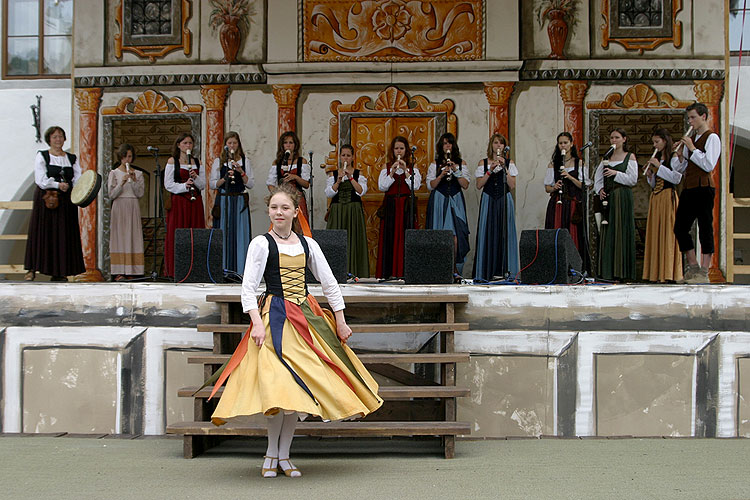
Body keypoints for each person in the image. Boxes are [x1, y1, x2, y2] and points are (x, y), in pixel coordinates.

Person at [210, 184, 382, 478]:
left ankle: (284, 456)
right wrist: (256, 322)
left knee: (295, 396)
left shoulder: (308, 245)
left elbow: (329, 283)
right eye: (275, 207)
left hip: (303, 318)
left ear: (295, 212)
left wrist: (340, 320)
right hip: (273, 320)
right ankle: (270, 454)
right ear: (269, 211)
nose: (279, 212)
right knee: (279, 390)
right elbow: (248, 289)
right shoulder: (261, 244)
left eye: (285, 207)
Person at [24, 126, 85, 282]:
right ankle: (32, 268)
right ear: (49, 139)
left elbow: (78, 178)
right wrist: (58, 185)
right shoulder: (42, 156)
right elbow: (40, 179)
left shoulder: (72, 158)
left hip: (66, 201)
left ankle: (60, 271)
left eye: (60, 136)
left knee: (63, 234)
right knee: (43, 232)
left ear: (64, 139)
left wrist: (74, 188)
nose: (58, 140)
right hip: (47, 199)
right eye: (55, 137)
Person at [672, 102, 721, 284]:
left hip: (704, 187)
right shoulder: (691, 138)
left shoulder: (712, 138)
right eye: (689, 118)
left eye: (693, 117)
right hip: (689, 187)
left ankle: (704, 271)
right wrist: (680, 155)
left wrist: (692, 149)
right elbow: (682, 168)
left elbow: (708, 164)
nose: (690, 121)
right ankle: (693, 266)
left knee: (705, 227)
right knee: (680, 227)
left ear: (704, 116)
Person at [594, 128, 638, 282]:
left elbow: (633, 179)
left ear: (624, 139)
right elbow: (597, 177)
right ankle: (608, 272)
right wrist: (600, 189)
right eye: (612, 138)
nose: (614, 140)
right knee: (609, 231)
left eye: (617, 138)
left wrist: (616, 174)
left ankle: (623, 272)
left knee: (621, 229)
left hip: (622, 197)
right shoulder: (606, 157)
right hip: (609, 198)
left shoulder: (629, 157)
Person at [473, 133, 519, 281]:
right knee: (488, 232)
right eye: (495, 143)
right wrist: (490, 170)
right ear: (491, 146)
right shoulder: (483, 163)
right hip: (489, 199)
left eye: (501, 143)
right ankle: (486, 271)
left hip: (504, 199)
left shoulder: (509, 162)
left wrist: (505, 168)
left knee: (505, 232)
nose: (498, 146)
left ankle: (506, 271)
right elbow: (479, 185)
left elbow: (512, 185)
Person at [376, 136, 422, 279]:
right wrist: (392, 173)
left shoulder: (413, 167)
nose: (399, 151)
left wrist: (406, 171)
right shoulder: (387, 167)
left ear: (406, 150)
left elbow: (415, 186)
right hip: (391, 206)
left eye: (401, 148)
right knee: (389, 237)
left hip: (406, 207)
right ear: (393, 150)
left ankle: (405, 272)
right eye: (396, 148)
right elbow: (382, 186)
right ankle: (388, 272)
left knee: (405, 237)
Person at [426, 132, 470, 278]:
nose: (447, 145)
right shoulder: (435, 163)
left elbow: (465, 185)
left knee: (456, 236)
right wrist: (441, 174)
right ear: (441, 146)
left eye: (449, 143)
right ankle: (440, 270)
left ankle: (455, 269)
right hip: (440, 199)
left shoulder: (461, 163)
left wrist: (455, 170)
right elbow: (431, 185)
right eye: (445, 143)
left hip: (455, 200)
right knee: (440, 235)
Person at [210, 131, 255, 275]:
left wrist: (241, 172)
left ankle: (240, 270)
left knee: (240, 233)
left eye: (234, 143)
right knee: (224, 231)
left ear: (238, 145)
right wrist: (224, 178)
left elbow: (251, 184)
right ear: (225, 145)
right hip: (224, 199)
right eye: (229, 143)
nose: (232, 145)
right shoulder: (219, 161)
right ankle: (223, 269)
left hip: (239, 200)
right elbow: (212, 184)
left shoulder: (244, 161)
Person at [642, 128, 683, 283]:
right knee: (655, 233)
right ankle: (655, 273)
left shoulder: (673, 157)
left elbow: (676, 178)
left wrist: (659, 167)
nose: (655, 145)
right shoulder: (658, 157)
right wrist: (650, 175)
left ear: (665, 141)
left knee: (667, 233)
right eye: (653, 142)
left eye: (657, 142)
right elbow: (654, 184)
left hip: (667, 197)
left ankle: (668, 273)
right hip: (657, 197)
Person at [543, 132, 589, 267]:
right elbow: (547, 188)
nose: (563, 145)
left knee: (573, 233)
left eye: (565, 142)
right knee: (556, 231)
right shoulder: (553, 164)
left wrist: (569, 177)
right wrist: (555, 187)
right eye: (560, 143)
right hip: (558, 203)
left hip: (573, 204)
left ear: (571, 144)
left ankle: (574, 266)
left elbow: (584, 186)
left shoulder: (579, 163)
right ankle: (557, 266)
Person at [164, 133, 206, 278]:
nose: (188, 146)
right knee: (178, 234)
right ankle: (176, 270)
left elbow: (203, 185)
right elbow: (168, 184)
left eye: (190, 143)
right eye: (185, 143)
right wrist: (184, 186)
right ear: (178, 145)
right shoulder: (172, 161)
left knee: (195, 234)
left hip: (195, 202)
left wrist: (195, 177)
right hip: (179, 202)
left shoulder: (197, 162)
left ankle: (195, 269)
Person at [325, 144, 369, 278]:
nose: (345, 158)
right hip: (338, 212)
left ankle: (355, 272)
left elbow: (361, 191)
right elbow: (329, 193)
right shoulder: (333, 174)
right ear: (339, 157)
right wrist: (338, 181)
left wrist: (350, 178)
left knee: (353, 240)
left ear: (352, 157)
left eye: (348, 155)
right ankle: (335, 273)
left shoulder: (358, 174)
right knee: (336, 241)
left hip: (353, 212)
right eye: (343, 155)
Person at [108, 143, 145, 280]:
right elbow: (111, 194)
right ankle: (119, 271)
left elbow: (140, 193)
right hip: (119, 206)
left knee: (132, 236)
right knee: (120, 237)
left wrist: (134, 181)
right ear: (120, 157)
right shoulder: (114, 173)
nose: (127, 160)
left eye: (129, 157)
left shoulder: (138, 173)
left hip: (132, 206)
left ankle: (133, 270)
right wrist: (121, 183)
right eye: (125, 157)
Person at [266, 131, 311, 235]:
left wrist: (295, 177)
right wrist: (277, 194)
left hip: (298, 198)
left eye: (291, 143)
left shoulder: (301, 161)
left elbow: (306, 184)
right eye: (286, 143)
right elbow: (270, 183)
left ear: (295, 145)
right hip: (282, 199)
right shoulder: (277, 163)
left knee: (299, 226)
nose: (288, 145)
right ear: (282, 145)